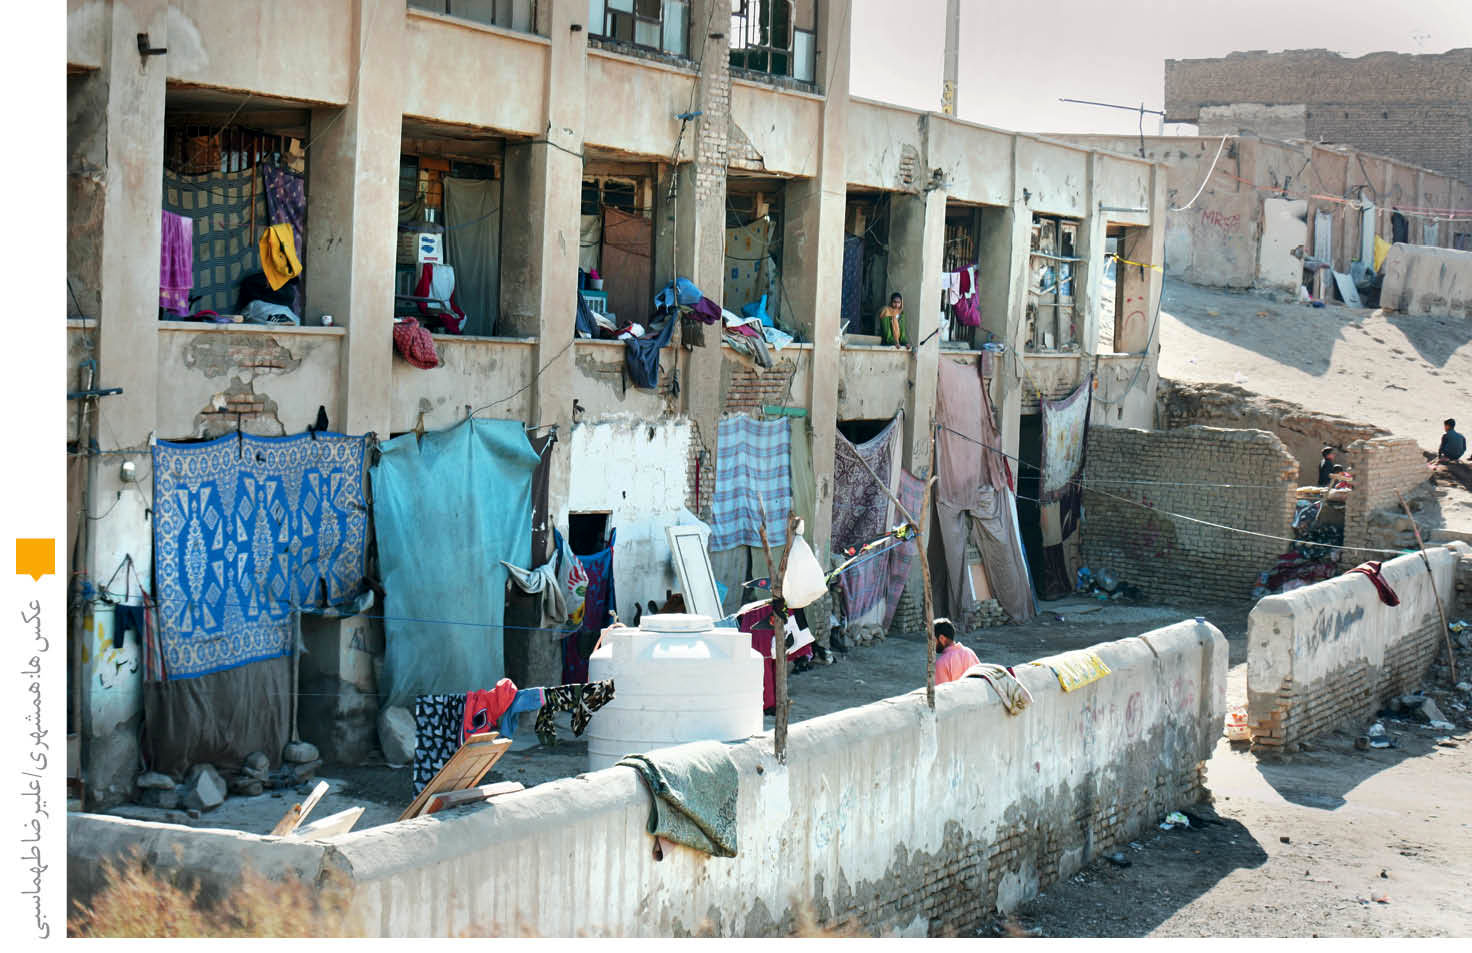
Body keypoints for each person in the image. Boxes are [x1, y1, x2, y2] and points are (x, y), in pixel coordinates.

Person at [934, 618, 980, 685]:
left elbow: (942, 693)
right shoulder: (969, 652)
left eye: (931, 640)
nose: (930, 644)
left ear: (941, 638)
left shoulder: (941, 663)